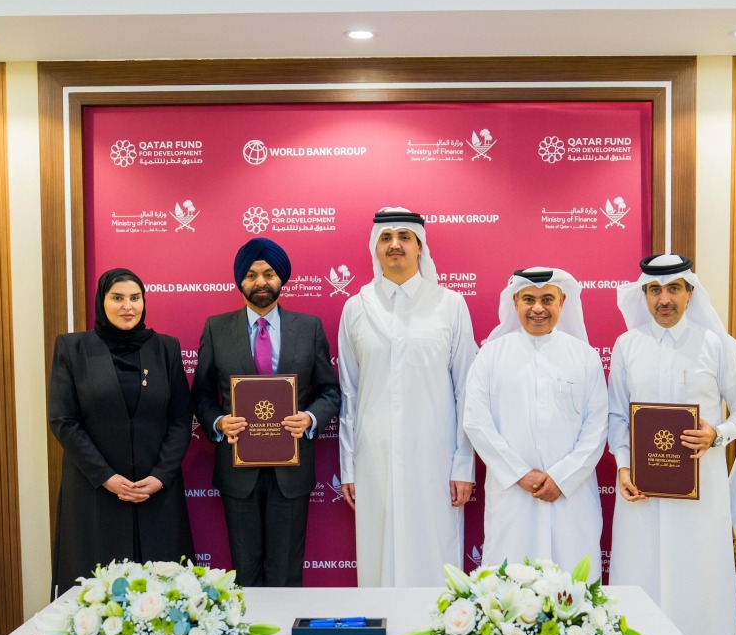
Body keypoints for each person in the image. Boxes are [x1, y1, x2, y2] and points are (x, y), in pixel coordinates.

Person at [607, 253, 736, 635]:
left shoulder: (716, 346)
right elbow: (617, 416)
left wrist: (717, 434)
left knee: (699, 583)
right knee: (642, 576)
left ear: (690, 292)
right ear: (644, 295)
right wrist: (623, 464)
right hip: (641, 494)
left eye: (673, 288)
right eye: (655, 290)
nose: (664, 298)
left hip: (701, 494)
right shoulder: (626, 346)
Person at [337, 207, 477, 587]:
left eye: (404, 237)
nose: (394, 245)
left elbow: (467, 389)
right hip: (373, 459)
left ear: (420, 247)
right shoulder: (356, 307)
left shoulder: (450, 305)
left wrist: (463, 465)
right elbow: (348, 393)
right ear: (375, 247)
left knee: (434, 557)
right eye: (385, 238)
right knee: (377, 557)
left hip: (435, 458)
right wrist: (348, 468)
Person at [191, 238, 340, 586]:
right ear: (239, 281)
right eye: (251, 274)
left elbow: (330, 391)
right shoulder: (216, 328)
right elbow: (200, 394)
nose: (260, 282)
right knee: (245, 571)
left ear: (281, 278)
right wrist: (217, 422)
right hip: (237, 470)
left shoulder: (309, 327)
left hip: (291, 469)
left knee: (286, 571)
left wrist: (311, 418)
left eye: (269, 273)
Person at [49, 267, 195, 595]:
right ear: (102, 301)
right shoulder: (73, 349)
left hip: (155, 493)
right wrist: (106, 477)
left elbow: (181, 418)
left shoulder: (166, 349)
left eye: (135, 298)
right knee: (97, 600)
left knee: (163, 598)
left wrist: (161, 476)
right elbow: (63, 420)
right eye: (117, 298)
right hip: (95, 493)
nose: (127, 306)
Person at [463, 267, 607, 569]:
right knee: (509, 588)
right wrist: (519, 474)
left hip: (571, 496)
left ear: (562, 301)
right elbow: (476, 422)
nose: (538, 308)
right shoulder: (490, 355)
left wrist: (562, 477)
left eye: (547, 299)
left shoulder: (585, 357)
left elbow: (596, 428)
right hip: (513, 494)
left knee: (574, 589)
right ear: (515, 301)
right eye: (529, 299)